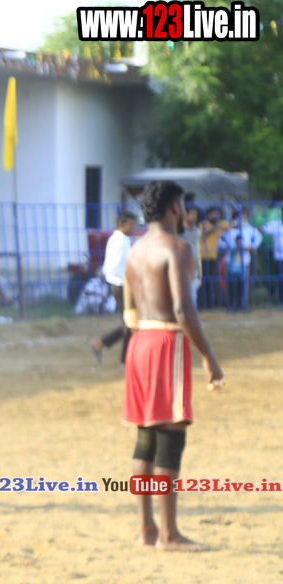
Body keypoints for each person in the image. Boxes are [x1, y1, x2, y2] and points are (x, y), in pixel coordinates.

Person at [121, 180, 223, 551]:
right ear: (174, 208)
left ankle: (147, 529)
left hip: (139, 343)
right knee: (170, 437)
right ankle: (169, 534)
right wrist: (208, 356)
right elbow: (183, 309)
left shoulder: (134, 252)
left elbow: (129, 312)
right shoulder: (178, 248)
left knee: (145, 438)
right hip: (166, 344)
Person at [90, 212, 137, 363]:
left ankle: (101, 345)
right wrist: (128, 280)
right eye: (130, 224)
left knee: (130, 322)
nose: (133, 227)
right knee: (130, 322)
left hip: (121, 285)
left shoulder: (118, 239)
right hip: (122, 285)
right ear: (121, 225)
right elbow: (112, 267)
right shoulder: (120, 241)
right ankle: (123, 359)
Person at [221, 208, 260, 312]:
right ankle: (231, 305)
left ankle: (243, 305)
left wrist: (252, 247)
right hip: (231, 262)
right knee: (231, 285)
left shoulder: (250, 229)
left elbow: (258, 238)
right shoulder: (230, 229)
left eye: (244, 214)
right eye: (240, 214)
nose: (243, 216)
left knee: (243, 285)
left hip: (244, 262)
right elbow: (222, 240)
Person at [197, 206, 227, 309]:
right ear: (208, 215)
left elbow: (230, 226)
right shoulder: (203, 224)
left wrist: (218, 226)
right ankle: (203, 304)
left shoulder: (221, 224)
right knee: (203, 280)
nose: (216, 216)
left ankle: (212, 303)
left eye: (217, 214)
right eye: (213, 214)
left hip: (213, 256)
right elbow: (202, 235)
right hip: (203, 256)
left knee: (213, 280)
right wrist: (214, 228)